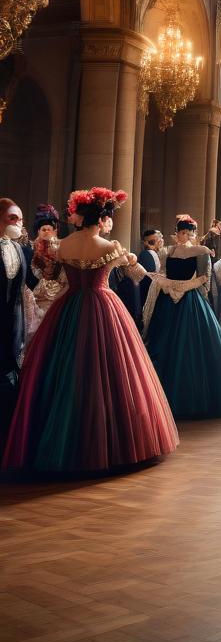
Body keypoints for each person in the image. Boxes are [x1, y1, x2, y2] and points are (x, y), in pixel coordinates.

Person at [3, 188, 178, 473]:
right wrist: (132, 260)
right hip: (103, 304)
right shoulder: (111, 247)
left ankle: (58, 439)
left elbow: (52, 277)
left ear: (81, 218)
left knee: (63, 370)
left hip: (69, 306)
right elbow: (135, 276)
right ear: (101, 220)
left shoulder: (63, 246)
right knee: (112, 374)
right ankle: (114, 443)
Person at [144, 214, 221, 418]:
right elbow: (162, 272)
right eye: (182, 232)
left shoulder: (201, 250)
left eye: (190, 232)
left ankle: (193, 397)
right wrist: (166, 284)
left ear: (194, 234)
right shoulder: (167, 251)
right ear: (177, 233)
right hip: (168, 300)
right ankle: (159, 398)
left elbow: (205, 278)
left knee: (191, 346)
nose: (186, 236)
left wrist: (185, 286)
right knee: (164, 343)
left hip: (190, 302)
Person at [0, 198, 31, 439]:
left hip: (14, 322)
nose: (19, 223)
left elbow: (22, 286)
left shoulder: (18, 248)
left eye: (20, 219)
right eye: (13, 218)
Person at [27, 204, 67, 342]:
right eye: (42, 229)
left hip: (57, 293)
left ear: (55, 231)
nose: (46, 232)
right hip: (35, 294)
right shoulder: (31, 247)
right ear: (38, 231)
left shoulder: (61, 246)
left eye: (49, 229)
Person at [136, 228, 162, 319]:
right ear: (145, 243)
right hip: (149, 297)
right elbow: (149, 279)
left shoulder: (159, 253)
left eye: (157, 240)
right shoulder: (146, 254)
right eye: (151, 242)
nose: (156, 244)